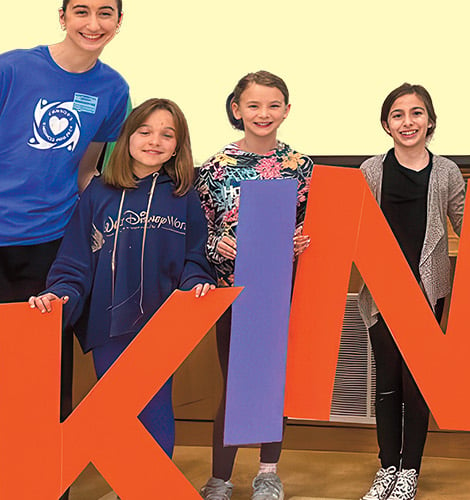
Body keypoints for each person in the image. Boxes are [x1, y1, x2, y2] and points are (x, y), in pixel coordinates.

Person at [0, 1, 130, 497]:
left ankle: (37, 486)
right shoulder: (11, 68)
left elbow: (85, 171)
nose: (93, 23)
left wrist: (105, 234)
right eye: (81, 10)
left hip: (50, 250)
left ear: (119, 23)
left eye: (106, 12)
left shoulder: (113, 90)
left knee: (40, 387)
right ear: (62, 17)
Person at [28, 98, 213, 474]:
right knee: (117, 416)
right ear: (126, 137)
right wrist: (60, 291)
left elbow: (196, 255)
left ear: (179, 145)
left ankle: (152, 487)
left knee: (156, 407)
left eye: (167, 134)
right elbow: (76, 259)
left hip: (163, 325)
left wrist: (196, 282)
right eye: (144, 131)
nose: (154, 141)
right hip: (110, 326)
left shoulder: (184, 195)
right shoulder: (98, 193)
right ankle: (128, 483)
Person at [356, 82, 470, 500]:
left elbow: (469, 224)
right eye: (397, 114)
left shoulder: (446, 171)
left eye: (416, 113)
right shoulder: (371, 170)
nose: (407, 122)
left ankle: (410, 471)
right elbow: (353, 228)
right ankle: (387, 467)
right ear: (386, 123)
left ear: (430, 121)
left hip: (427, 291)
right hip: (381, 292)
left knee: (417, 384)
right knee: (386, 384)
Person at [196, 70, 313, 500]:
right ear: (236, 109)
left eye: (273, 105)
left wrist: (303, 242)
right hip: (231, 294)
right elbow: (200, 233)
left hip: (282, 292)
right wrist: (216, 244)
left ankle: (267, 473)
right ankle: (219, 479)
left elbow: (314, 230)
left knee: (273, 383)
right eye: (253, 105)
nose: (263, 114)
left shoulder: (302, 167)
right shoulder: (212, 169)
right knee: (234, 384)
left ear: (286, 109)